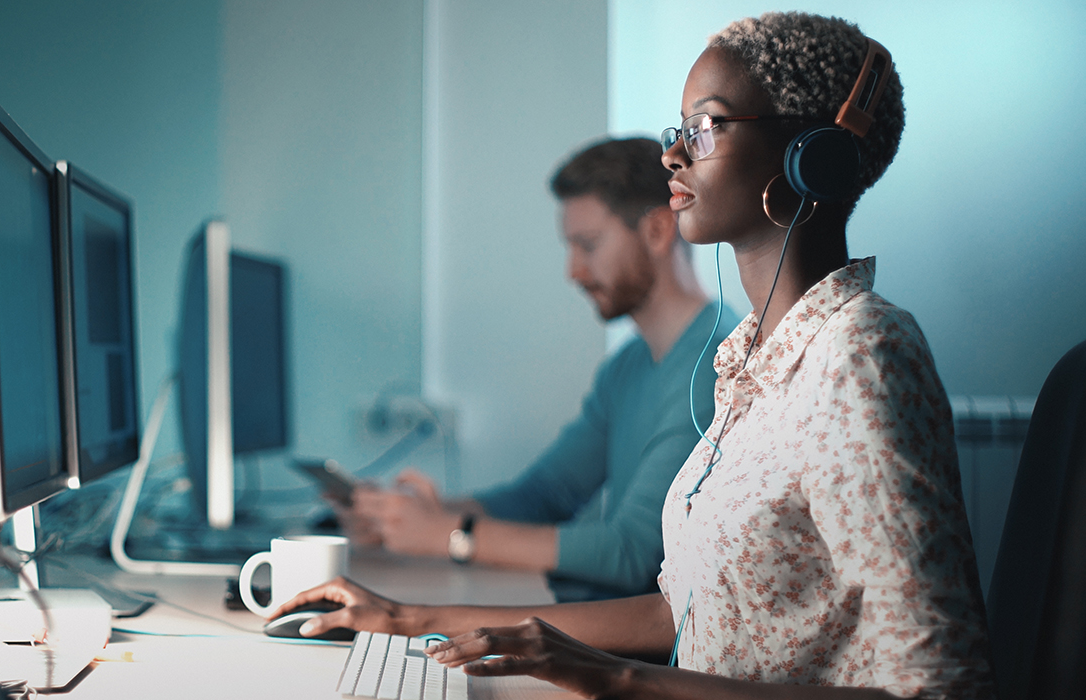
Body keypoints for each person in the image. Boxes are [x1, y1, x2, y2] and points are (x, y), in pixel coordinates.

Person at [276, 11, 995, 698]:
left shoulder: (861, 354)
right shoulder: (755, 360)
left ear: (811, 155)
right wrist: (408, 619)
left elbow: (938, 686)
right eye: (679, 129)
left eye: (706, 127)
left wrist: (615, 680)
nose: (673, 154)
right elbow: (678, 613)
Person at [340, 137, 737, 602]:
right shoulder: (628, 366)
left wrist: (451, 534)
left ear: (656, 231)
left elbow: (634, 553)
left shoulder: (717, 363)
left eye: (587, 245)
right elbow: (546, 495)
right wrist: (412, 518)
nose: (573, 271)